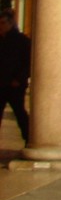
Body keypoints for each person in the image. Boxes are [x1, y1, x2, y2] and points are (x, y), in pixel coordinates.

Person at [0, 8, 31, 145]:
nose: (1, 26)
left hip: (15, 85)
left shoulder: (21, 40)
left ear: (11, 23)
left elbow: (29, 62)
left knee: (20, 114)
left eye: (3, 23)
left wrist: (19, 79)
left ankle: (29, 139)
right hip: (1, 84)